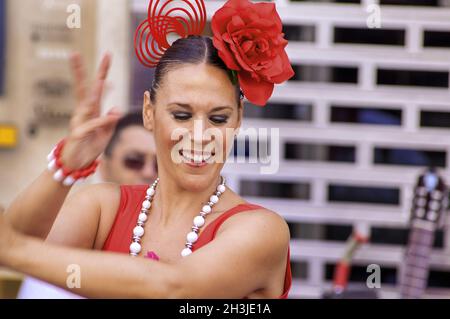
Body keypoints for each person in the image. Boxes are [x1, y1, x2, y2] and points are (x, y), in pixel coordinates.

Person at [0, 0, 294, 298]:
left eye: (218, 118)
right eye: (181, 115)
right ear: (149, 113)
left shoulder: (261, 230)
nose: (200, 135)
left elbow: (174, 288)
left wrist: (12, 248)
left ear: (239, 119)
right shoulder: (105, 207)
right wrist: (65, 166)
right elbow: (17, 245)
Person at [17, 112, 158, 299]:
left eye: (159, 164)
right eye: (134, 161)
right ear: (105, 166)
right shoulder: (88, 206)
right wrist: (67, 164)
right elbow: (18, 245)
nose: (148, 172)